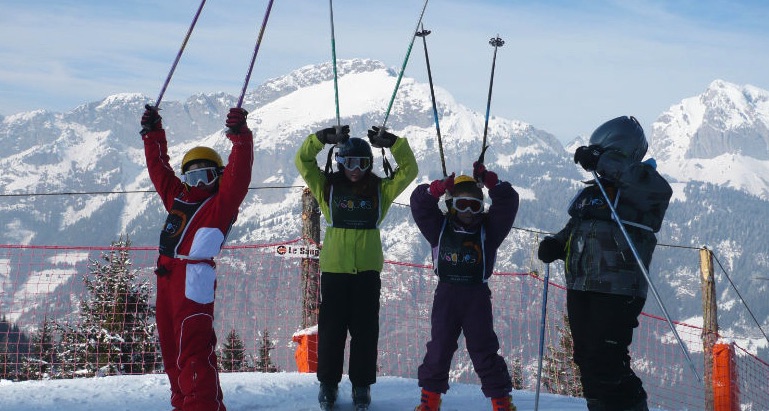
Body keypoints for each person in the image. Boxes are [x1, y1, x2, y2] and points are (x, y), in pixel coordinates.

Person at [537, 116, 672, 411]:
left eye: (601, 153)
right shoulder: (594, 192)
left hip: (618, 288)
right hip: (581, 283)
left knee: (607, 360)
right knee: (586, 358)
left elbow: (643, 182)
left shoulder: (645, 187)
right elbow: (577, 227)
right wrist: (557, 243)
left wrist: (602, 160)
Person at [294, 125, 418, 409]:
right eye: (349, 162)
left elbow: (409, 170)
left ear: (369, 164)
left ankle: (361, 386)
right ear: (339, 162)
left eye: (362, 163)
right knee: (331, 332)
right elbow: (303, 161)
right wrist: (320, 139)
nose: (355, 169)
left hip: (366, 273)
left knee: (365, 333)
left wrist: (394, 143)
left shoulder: (381, 190)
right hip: (335, 272)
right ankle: (328, 384)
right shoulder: (327, 187)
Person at [140, 104, 253, 411]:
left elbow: (239, 177)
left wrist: (240, 138)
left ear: (218, 176)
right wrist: (152, 135)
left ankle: (201, 405)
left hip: (193, 280)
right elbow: (159, 170)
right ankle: (184, 403)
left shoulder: (221, 204)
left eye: (206, 176)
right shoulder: (179, 197)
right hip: (167, 276)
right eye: (193, 177)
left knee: (192, 349)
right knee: (172, 348)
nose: (200, 184)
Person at [410, 163, 519, 411]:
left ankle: (501, 403)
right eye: (462, 204)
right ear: (452, 206)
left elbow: (509, 201)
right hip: (446, 295)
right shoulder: (439, 228)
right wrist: (436, 189)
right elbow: (419, 204)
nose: (468, 211)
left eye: (475, 205)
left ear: (482, 207)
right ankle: (429, 402)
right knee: (439, 348)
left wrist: (491, 181)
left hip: (476, 297)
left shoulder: (489, 231)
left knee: (484, 349)